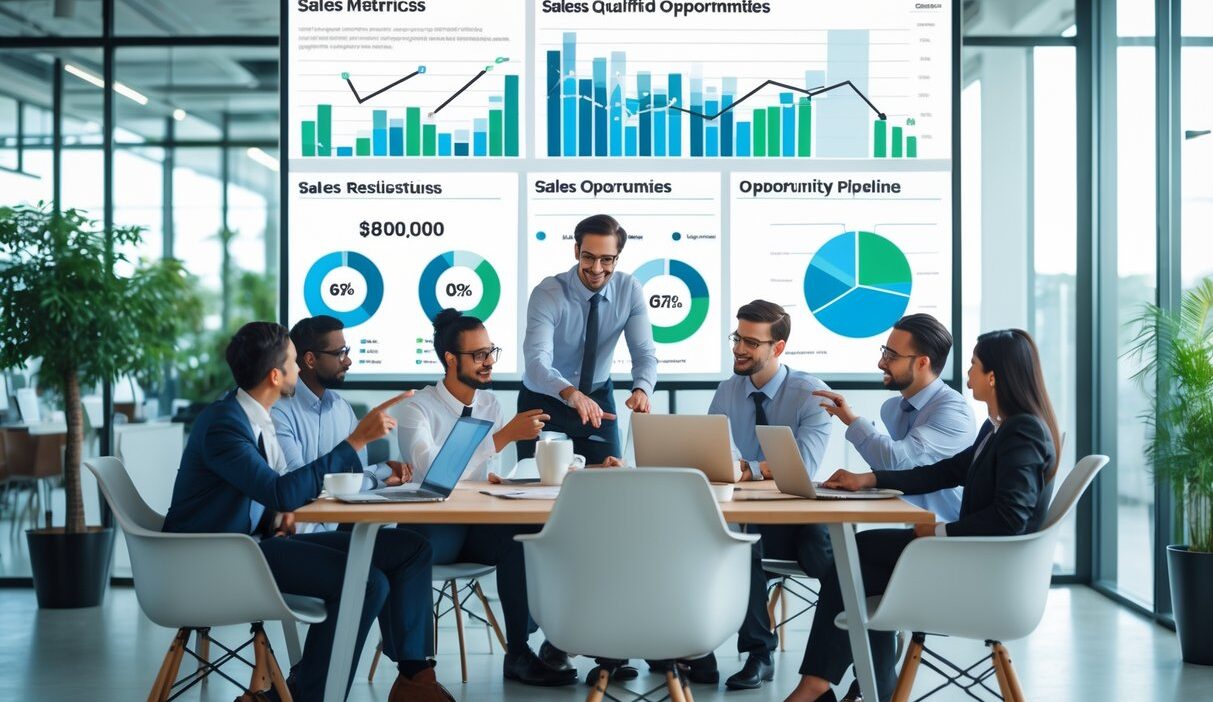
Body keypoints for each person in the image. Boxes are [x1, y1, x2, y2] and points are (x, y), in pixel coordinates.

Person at [162, 322, 452, 702]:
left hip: (252, 546)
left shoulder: (254, 418)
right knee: (367, 584)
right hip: (217, 559)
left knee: (409, 547)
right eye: (295, 361)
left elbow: (259, 492)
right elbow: (282, 491)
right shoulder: (223, 425)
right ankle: (306, 696)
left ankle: (414, 678)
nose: (300, 369)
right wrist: (357, 440)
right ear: (275, 374)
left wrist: (274, 519)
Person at [784, 329, 1060, 702]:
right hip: (972, 559)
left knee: (858, 554)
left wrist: (936, 534)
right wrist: (869, 479)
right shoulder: (998, 428)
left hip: (985, 573)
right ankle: (847, 685)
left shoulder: (1022, 431)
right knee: (858, 556)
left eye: (974, 366)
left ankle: (821, 685)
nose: (967, 375)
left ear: (993, 376)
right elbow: (942, 471)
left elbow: (1009, 519)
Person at [395, 309, 578, 686]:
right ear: (450, 359)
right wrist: (501, 438)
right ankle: (418, 671)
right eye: (478, 355)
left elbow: (481, 473)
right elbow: (433, 474)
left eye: (490, 351)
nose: (489, 361)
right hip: (432, 533)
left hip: (474, 525)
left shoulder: (489, 405)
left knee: (526, 536)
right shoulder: (418, 409)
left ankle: (521, 651)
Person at [706, 300, 835, 691]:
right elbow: (711, 454)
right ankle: (755, 654)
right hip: (750, 518)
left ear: (777, 348)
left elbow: (804, 466)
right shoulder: (728, 391)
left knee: (826, 562)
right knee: (738, 542)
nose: (739, 349)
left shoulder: (811, 394)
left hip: (799, 522)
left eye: (751, 342)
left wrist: (749, 468)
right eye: (737, 338)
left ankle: (849, 646)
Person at [518, 214, 657, 465]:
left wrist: (642, 389)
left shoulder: (630, 290)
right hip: (544, 399)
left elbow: (644, 353)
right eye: (589, 257)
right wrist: (571, 393)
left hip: (596, 398)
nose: (596, 268)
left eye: (606, 259)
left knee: (609, 479)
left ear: (617, 258)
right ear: (576, 251)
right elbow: (536, 361)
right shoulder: (548, 293)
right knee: (537, 487)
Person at [812, 314, 976, 522]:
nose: (881, 363)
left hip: (944, 527)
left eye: (892, 356)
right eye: (884, 352)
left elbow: (896, 462)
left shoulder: (954, 412)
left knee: (847, 546)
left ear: (922, 363)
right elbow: (892, 470)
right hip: (907, 519)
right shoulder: (892, 409)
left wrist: (853, 422)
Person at [272, 315, 412, 535]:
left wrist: (384, 472)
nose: (348, 361)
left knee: (405, 539)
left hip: (340, 524)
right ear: (310, 360)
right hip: (303, 533)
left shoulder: (342, 409)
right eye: (340, 354)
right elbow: (300, 489)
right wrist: (377, 476)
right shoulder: (279, 411)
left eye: (347, 351)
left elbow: (353, 479)